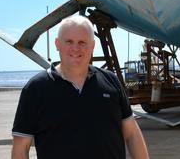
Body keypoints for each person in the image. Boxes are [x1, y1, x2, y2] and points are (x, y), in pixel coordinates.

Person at [11, 15, 149, 159]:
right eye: (69, 41)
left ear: (92, 45)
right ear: (57, 44)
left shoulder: (111, 81)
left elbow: (132, 133)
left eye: (82, 42)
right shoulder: (36, 88)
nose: (75, 48)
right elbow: (21, 146)